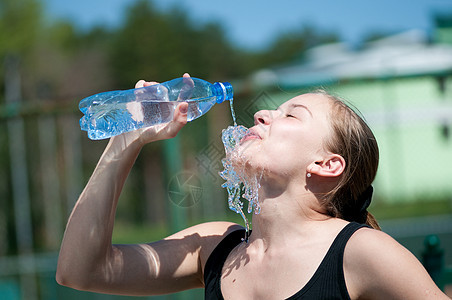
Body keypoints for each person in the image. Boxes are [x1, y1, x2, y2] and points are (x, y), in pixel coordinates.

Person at [56, 74, 449, 299]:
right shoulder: (213, 247)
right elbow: (81, 270)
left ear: (327, 165)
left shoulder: (361, 251)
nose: (261, 113)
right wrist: (126, 140)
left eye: (291, 115)